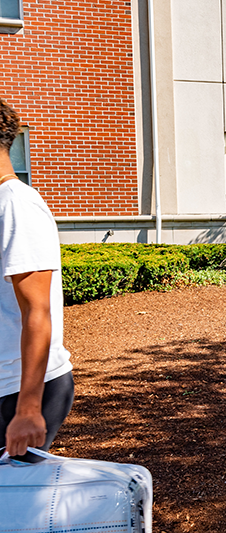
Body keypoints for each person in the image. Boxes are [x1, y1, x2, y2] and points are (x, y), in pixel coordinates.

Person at [0, 98, 74, 458]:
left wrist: (28, 409)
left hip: (18, 391)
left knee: (14, 509)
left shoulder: (16, 205)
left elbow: (38, 313)